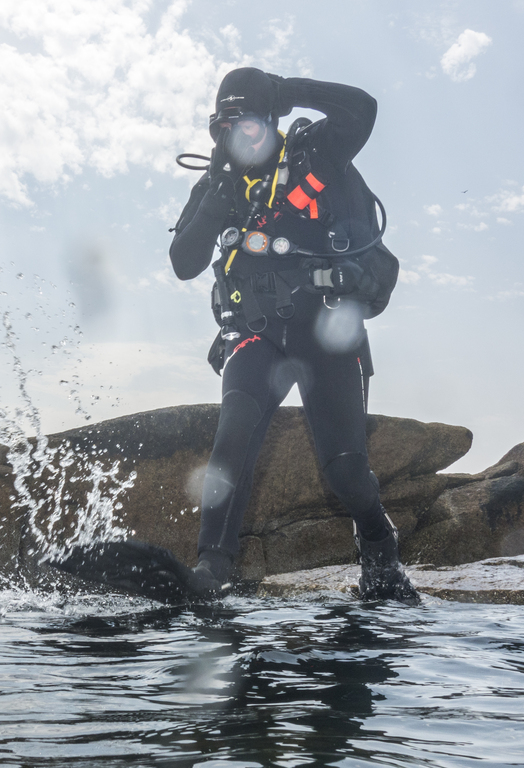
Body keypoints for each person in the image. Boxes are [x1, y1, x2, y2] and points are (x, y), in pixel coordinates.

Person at [167, 67, 415, 602]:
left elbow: (363, 108)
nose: (240, 139)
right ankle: (213, 567)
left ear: (271, 120)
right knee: (235, 425)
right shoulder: (217, 186)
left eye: (249, 124)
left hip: (327, 332)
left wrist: (286, 90)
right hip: (255, 334)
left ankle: (379, 544)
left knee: (346, 470)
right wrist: (215, 197)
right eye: (226, 129)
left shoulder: (316, 153)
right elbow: (184, 262)